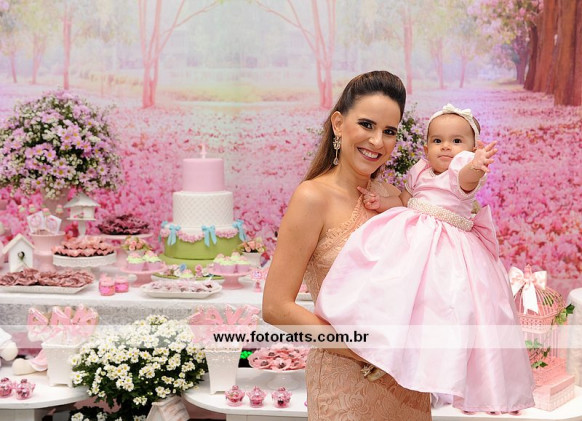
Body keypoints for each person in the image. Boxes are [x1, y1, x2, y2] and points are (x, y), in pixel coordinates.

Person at [315, 103, 535, 413]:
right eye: (437, 140)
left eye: (457, 141)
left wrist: (476, 164)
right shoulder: (419, 171)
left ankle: (430, 363)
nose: (446, 147)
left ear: (471, 149)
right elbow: (405, 200)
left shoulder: (460, 174)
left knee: (442, 306)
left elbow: (468, 176)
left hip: (448, 250)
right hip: (413, 240)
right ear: (426, 147)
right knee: (394, 287)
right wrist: (381, 202)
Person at [262, 70, 432, 420]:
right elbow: (276, 307)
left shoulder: (393, 198)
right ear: (338, 124)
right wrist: (364, 351)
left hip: (407, 387)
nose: (377, 141)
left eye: (389, 131)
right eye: (366, 125)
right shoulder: (313, 197)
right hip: (345, 388)